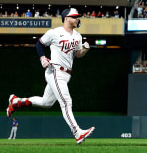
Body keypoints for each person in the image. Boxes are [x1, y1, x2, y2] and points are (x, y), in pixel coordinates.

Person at [5, 8, 95, 144]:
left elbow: (77, 55)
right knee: (66, 102)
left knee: (46, 103)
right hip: (55, 71)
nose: (77, 19)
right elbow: (39, 44)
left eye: (77, 17)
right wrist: (42, 58)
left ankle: (17, 102)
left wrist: (85, 50)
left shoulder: (77, 36)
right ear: (66, 18)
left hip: (66, 74)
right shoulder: (54, 33)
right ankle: (77, 132)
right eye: (74, 16)